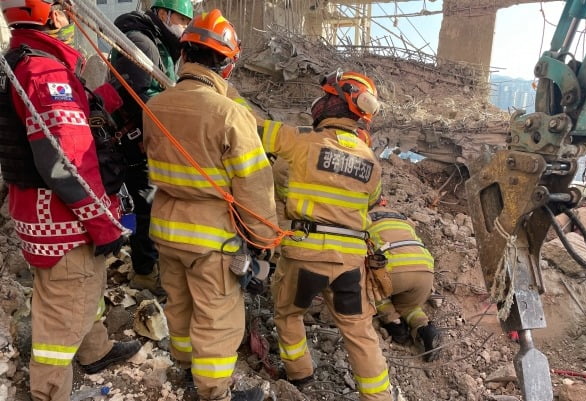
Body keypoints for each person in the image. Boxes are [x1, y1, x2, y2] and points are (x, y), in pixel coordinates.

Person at [0, 1, 141, 399]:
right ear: (53, 14)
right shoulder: (44, 71)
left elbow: (64, 121)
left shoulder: (23, 59)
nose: (71, 19)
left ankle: (95, 350)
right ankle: (48, 390)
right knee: (64, 308)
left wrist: (108, 98)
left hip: (37, 215)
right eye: (66, 11)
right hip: (65, 222)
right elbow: (65, 161)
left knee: (79, 289)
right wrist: (104, 224)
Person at [142, 9, 277, 401]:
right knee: (218, 317)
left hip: (165, 228)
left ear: (184, 54)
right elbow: (254, 186)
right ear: (227, 65)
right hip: (211, 238)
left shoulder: (155, 106)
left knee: (179, 303)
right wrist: (265, 239)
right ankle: (215, 391)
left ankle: (184, 367)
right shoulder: (230, 114)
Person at [259, 70, 394, 401]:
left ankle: (300, 373)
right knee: (360, 332)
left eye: (325, 96)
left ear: (339, 101)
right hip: (350, 261)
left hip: (305, 253)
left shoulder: (301, 142)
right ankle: (379, 397)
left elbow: (251, 126)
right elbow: (373, 202)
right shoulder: (371, 162)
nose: (318, 102)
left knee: (288, 314)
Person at [109, 0, 193, 293]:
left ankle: (150, 264)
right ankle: (144, 273)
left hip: (146, 139)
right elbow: (138, 98)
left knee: (150, 204)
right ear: (162, 14)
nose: (183, 25)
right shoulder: (142, 44)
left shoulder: (156, 44)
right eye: (180, 18)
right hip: (138, 143)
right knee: (146, 207)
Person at [368, 198, 440, 360]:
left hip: (393, 270)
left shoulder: (361, 217)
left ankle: (395, 324)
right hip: (425, 272)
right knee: (408, 306)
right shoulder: (400, 217)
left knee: (372, 288)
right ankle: (424, 328)